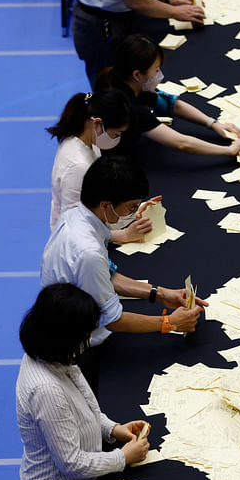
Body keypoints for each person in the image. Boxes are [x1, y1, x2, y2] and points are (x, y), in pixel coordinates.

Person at [41, 155, 207, 387]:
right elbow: (113, 320)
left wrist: (160, 293)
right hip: (77, 348)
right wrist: (170, 323)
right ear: (106, 205)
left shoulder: (77, 217)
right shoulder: (87, 251)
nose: (131, 215)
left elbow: (109, 275)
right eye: (130, 208)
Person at [17, 283, 151, 480]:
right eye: (85, 333)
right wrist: (122, 457)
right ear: (64, 336)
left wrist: (113, 429)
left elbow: (85, 409)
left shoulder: (52, 355)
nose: (88, 339)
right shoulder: (46, 390)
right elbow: (71, 463)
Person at [96, 34, 240, 158]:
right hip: (113, 160)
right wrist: (228, 150)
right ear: (137, 74)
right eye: (156, 70)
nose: (160, 75)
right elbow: (181, 143)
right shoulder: (130, 107)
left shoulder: (124, 82)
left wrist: (213, 124)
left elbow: (173, 105)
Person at [47, 89, 160, 245]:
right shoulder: (78, 166)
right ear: (97, 123)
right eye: (116, 134)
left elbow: (95, 211)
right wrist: (123, 235)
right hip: (75, 247)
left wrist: (130, 211)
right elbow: (74, 227)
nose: (117, 139)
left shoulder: (88, 141)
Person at [71, 0, 205, 87]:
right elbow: (135, 0)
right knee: (110, 86)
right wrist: (175, 12)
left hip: (114, 15)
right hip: (101, 24)